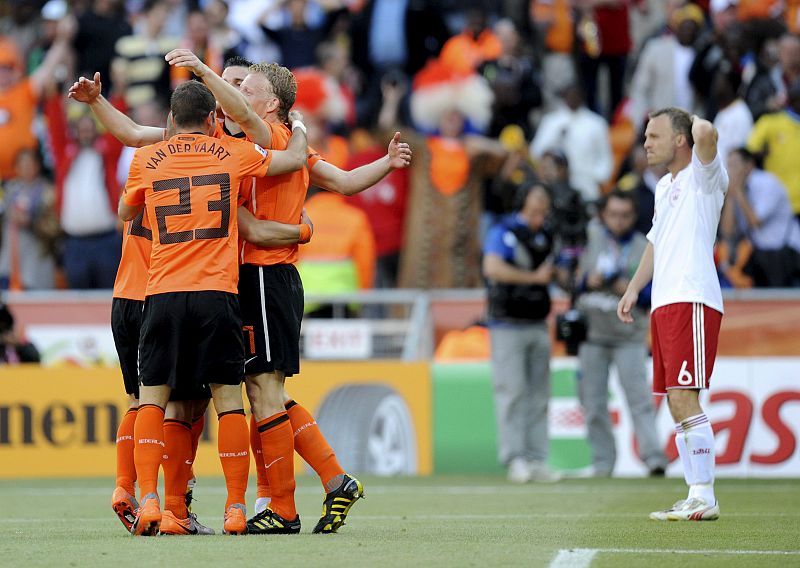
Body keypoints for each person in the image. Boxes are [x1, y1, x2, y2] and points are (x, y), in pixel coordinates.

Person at [165, 49, 411, 534]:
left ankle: (282, 506)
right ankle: (332, 481)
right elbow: (344, 181)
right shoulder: (278, 142)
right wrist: (385, 163)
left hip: (263, 276)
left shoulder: (269, 137)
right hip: (257, 279)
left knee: (263, 393)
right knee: (266, 393)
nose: (238, 94)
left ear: (271, 103)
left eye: (247, 88)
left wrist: (202, 71)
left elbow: (256, 223)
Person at [118, 79, 308, 536]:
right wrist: (299, 127)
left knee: (153, 398)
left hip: (162, 291)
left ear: (171, 118)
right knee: (228, 402)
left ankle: (150, 499)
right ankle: (235, 508)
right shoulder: (234, 153)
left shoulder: (146, 159)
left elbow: (126, 213)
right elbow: (293, 159)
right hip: (217, 292)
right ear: (210, 119)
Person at [618, 108, 728, 521]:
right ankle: (694, 492)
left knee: (684, 396)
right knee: (673, 400)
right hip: (665, 302)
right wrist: (634, 287)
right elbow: (656, 241)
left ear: (680, 139)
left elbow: (708, 132)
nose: (645, 143)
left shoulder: (704, 177)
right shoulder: (664, 186)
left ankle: (704, 494)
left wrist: (686, 117)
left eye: (654, 135)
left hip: (691, 297)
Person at [575, 190, 667, 477]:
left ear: (633, 216)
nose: (618, 220)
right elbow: (568, 280)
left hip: (629, 336)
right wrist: (585, 280)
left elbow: (656, 291)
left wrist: (628, 289)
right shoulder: (589, 240)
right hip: (592, 334)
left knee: (639, 400)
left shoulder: (644, 246)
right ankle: (603, 462)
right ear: (603, 215)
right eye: (613, 214)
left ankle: (654, 458)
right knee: (592, 403)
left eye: (625, 215)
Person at [482, 182, 561, 484]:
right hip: (507, 324)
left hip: (537, 322)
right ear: (523, 200)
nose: (542, 202)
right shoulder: (505, 230)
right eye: (536, 196)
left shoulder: (547, 234)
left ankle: (537, 458)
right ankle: (515, 457)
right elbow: (492, 267)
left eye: (545, 197)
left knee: (539, 394)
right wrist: (534, 278)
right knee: (512, 392)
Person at [723, 147, 800, 287]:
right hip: (760, 254)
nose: (730, 171)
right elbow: (727, 232)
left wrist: (738, 190)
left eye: (734, 165)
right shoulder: (735, 188)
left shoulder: (767, 183)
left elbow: (755, 221)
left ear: (749, 165)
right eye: (728, 166)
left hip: (786, 253)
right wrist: (730, 197)